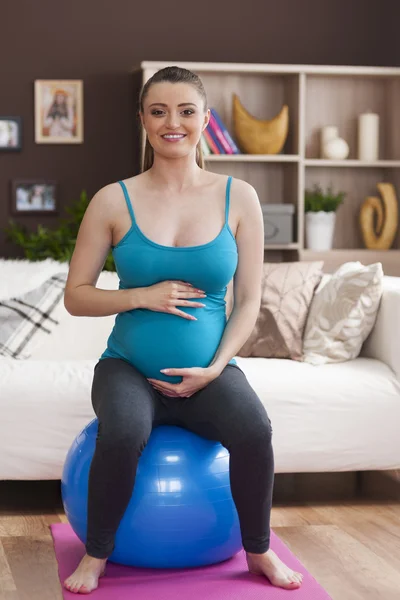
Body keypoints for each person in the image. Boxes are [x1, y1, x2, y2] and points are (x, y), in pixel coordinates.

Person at [63, 65, 304, 594]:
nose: (173, 122)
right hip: (127, 366)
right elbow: (75, 297)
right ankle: (96, 554)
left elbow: (249, 300)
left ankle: (258, 551)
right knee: (124, 432)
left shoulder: (239, 198)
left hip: (209, 370)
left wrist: (214, 369)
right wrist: (142, 296)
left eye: (186, 111)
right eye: (158, 111)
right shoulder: (112, 199)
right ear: (143, 121)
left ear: (204, 120)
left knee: (255, 431)